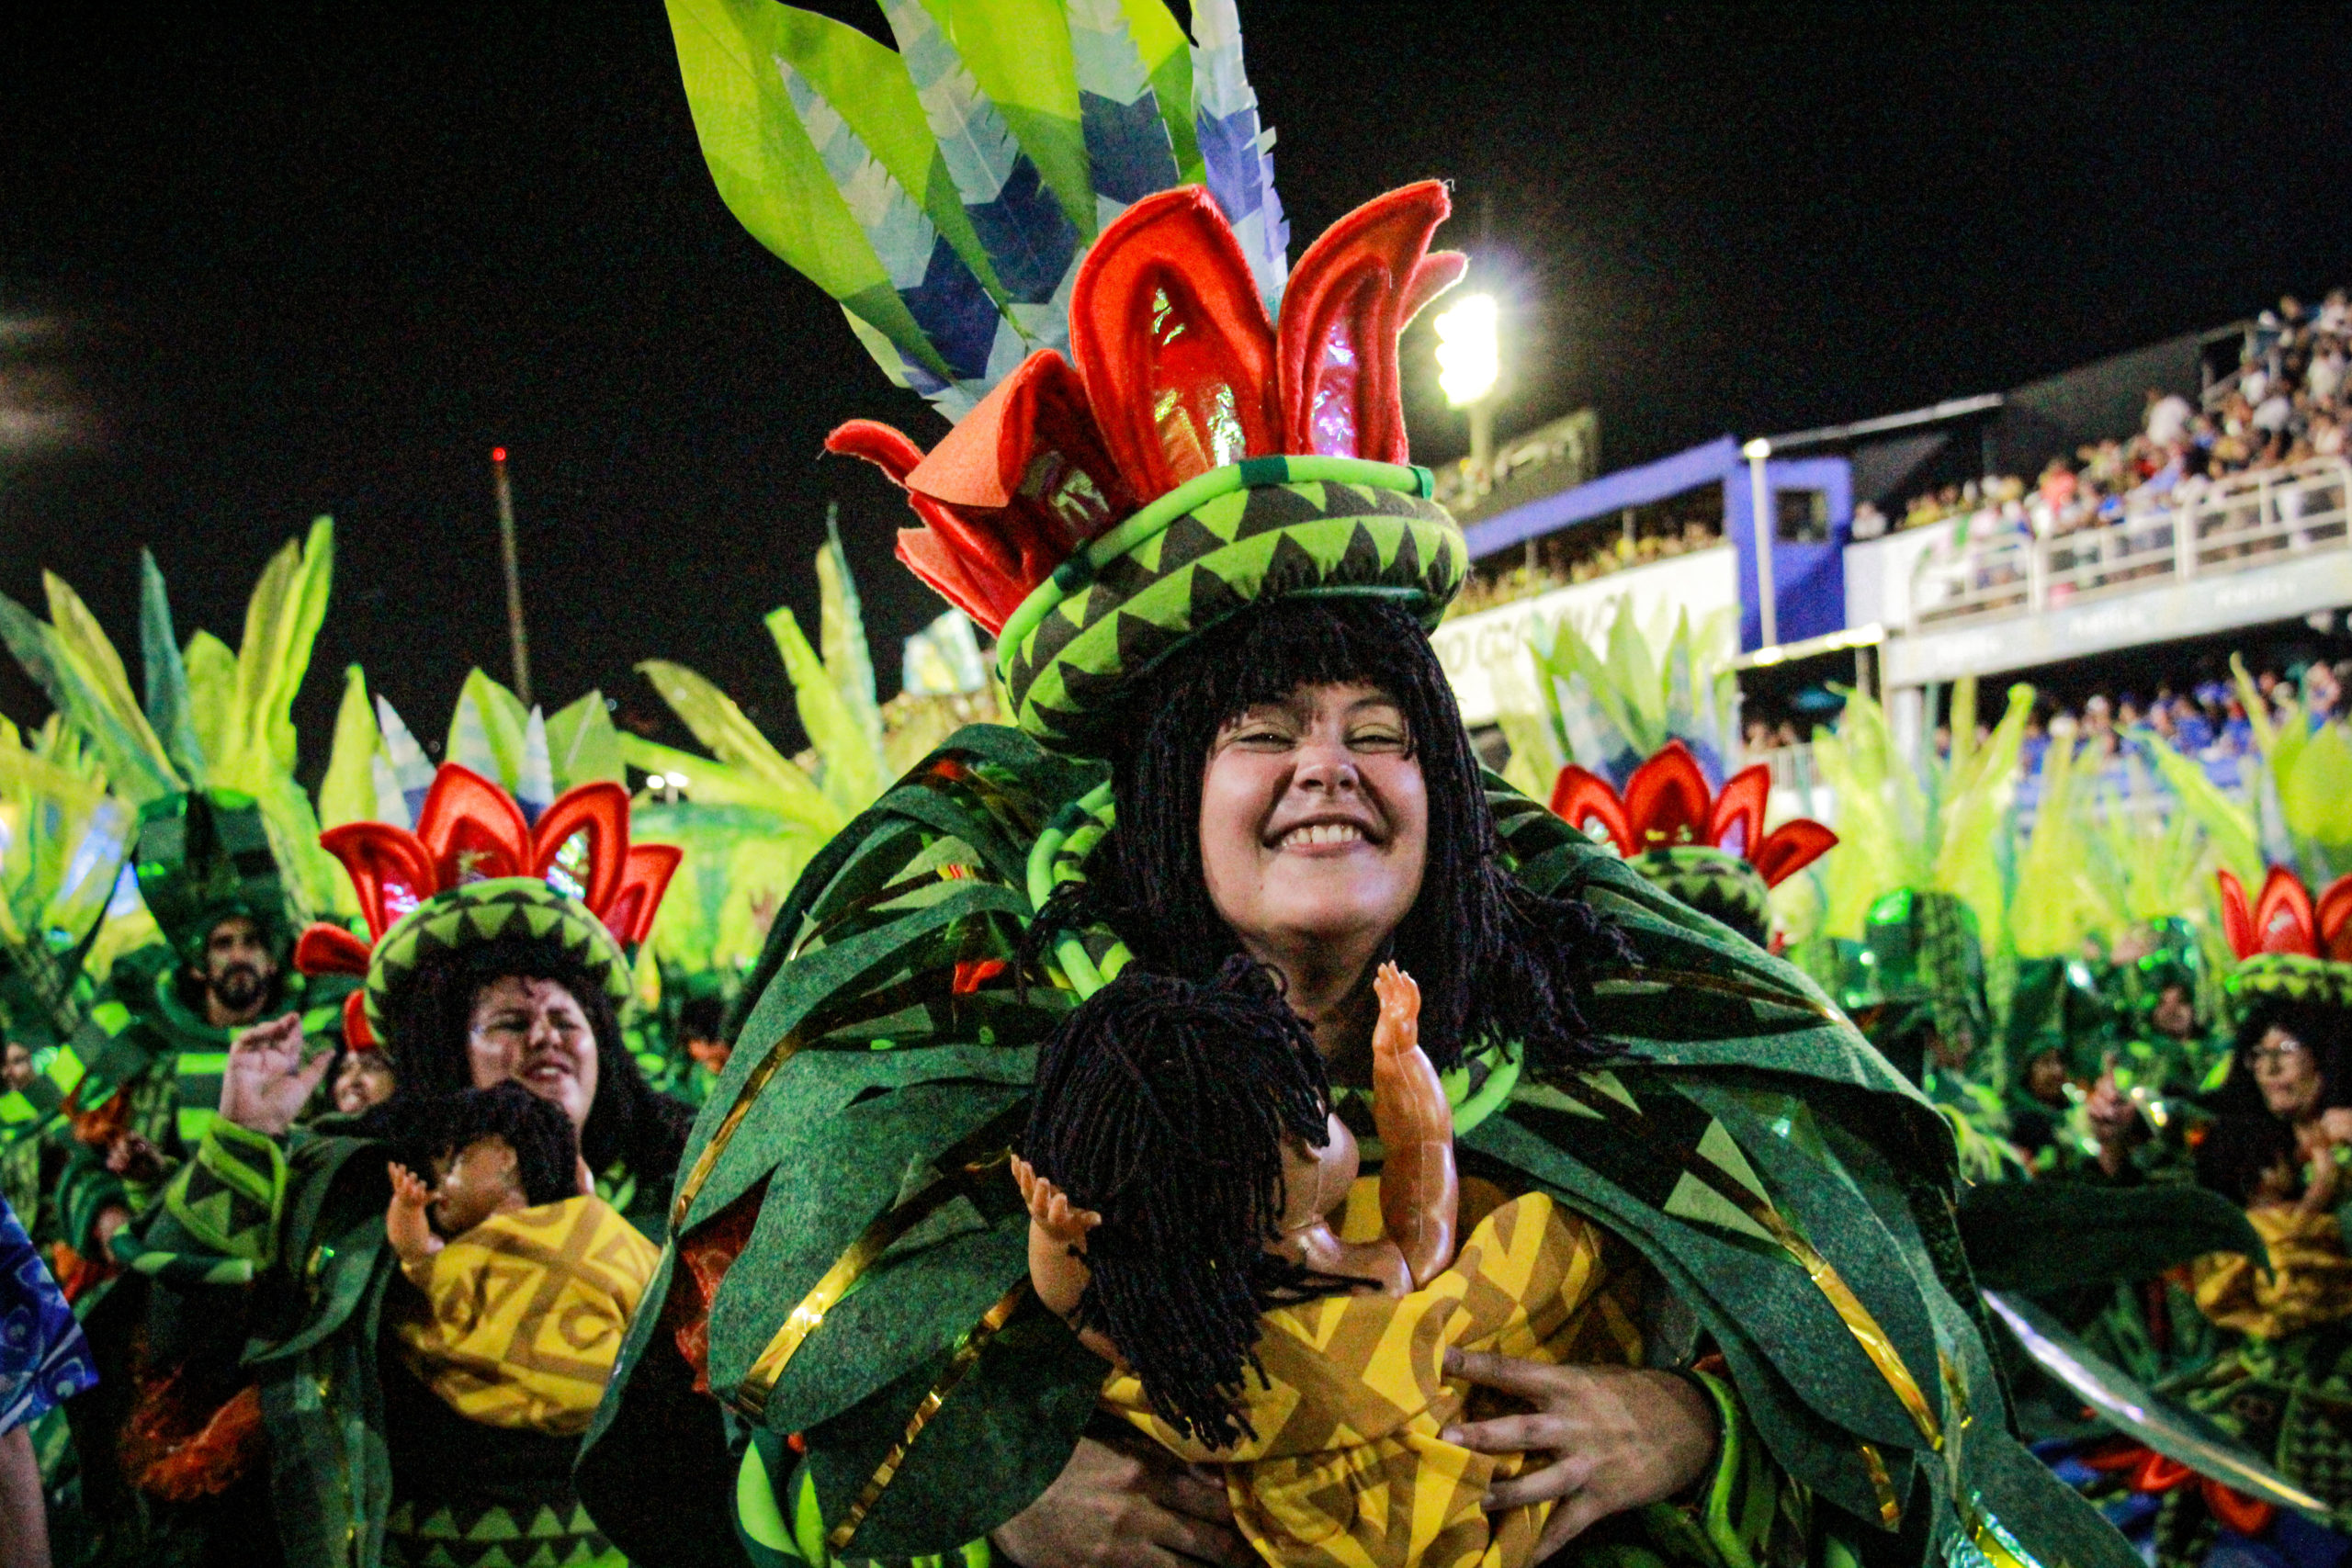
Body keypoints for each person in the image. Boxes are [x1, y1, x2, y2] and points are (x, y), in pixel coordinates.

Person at [594, 11, 2136, 1564]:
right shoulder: (975, 1095)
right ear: (1159, 795)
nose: (1327, 764)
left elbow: (1914, 1413)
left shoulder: (1629, 1033)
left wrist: (1691, 1422)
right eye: (1260, 729)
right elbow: (754, 1474)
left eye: (1379, 728)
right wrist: (999, 1497)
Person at [119, 763, 712, 1568]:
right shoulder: (359, 1190)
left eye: (567, 1019)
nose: (546, 1037)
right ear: (442, 1047)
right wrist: (242, 1140)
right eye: (509, 1019)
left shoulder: (681, 1190)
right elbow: (186, 1347)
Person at [384, 1081, 659, 1440]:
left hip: (638, 1400)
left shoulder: (587, 1219)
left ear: (504, 1154)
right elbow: (426, 1267)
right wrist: (407, 1216)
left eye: (453, 1165)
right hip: (615, 1418)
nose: (438, 1193)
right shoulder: (461, 1254)